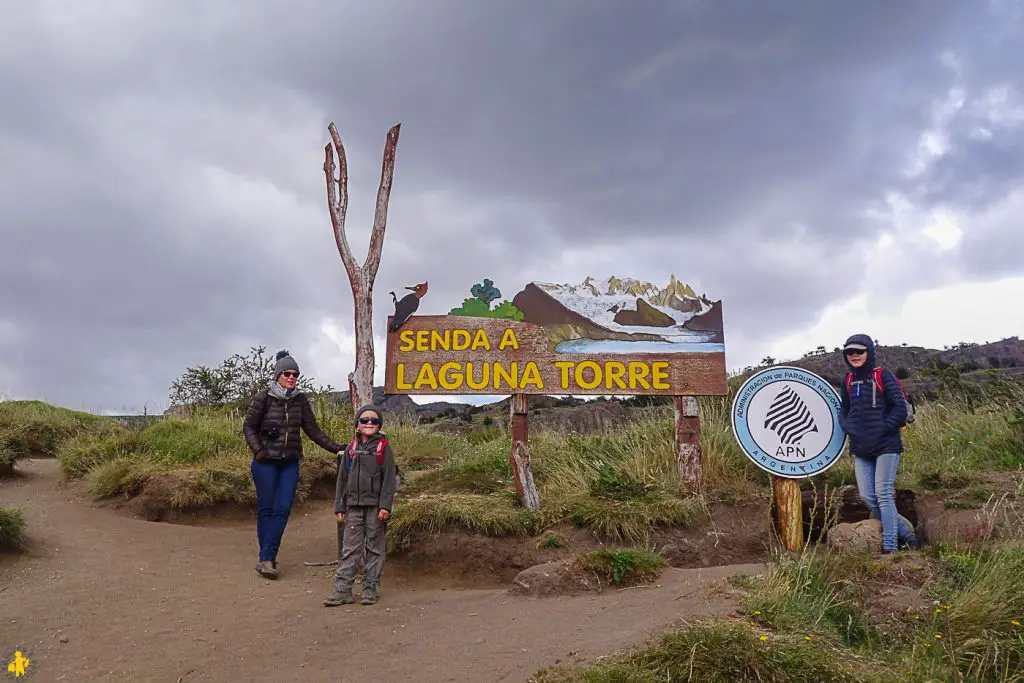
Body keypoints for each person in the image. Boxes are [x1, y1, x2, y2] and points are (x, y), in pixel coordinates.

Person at [242, 350, 345, 579]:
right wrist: (258, 451)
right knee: (267, 510)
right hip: (265, 463)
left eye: (295, 374)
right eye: (287, 373)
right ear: (278, 374)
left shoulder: (300, 400)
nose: (292, 377)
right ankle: (267, 558)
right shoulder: (264, 397)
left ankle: (267, 556)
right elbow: (248, 426)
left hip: (290, 462)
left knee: (283, 509)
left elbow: (312, 430)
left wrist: (336, 447)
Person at [838, 334, 919, 553]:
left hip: (886, 446)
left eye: (859, 351)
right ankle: (908, 534)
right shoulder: (847, 380)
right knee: (867, 496)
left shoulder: (883, 375)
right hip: (861, 448)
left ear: (869, 352)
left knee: (883, 494)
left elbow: (900, 409)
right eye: (850, 352)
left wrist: (882, 428)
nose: (854, 355)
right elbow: (843, 409)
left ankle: (890, 548)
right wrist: (847, 427)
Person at [324, 404, 398, 606]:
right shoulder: (351, 449)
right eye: (364, 420)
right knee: (350, 549)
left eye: (374, 421)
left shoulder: (384, 449)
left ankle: (370, 587)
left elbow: (389, 480)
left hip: (375, 508)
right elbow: (342, 480)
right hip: (353, 507)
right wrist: (339, 507)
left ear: (379, 425)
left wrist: (385, 506)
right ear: (357, 425)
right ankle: (342, 590)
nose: (369, 423)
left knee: (374, 548)